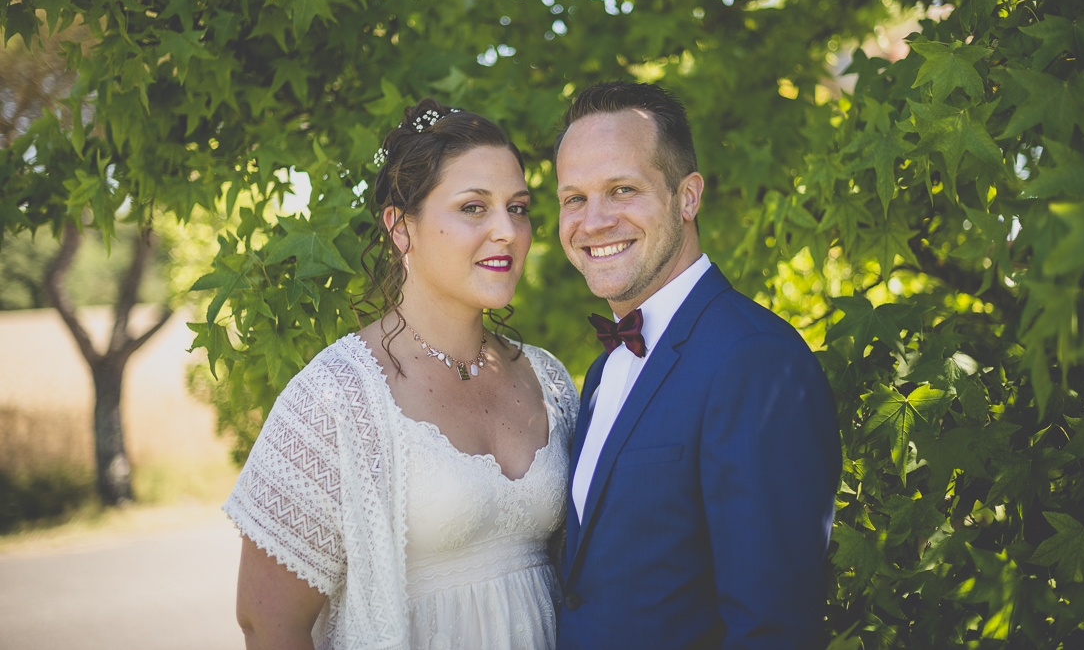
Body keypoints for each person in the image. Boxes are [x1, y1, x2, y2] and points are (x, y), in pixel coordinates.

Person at [224, 99, 579, 650]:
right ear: (400, 227)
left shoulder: (547, 379)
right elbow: (267, 623)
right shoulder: (336, 399)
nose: (507, 231)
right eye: (472, 208)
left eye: (518, 207)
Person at [554, 81, 841, 650]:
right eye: (574, 198)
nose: (594, 221)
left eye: (622, 189)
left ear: (687, 198)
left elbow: (773, 627)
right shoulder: (601, 371)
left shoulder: (755, 360)